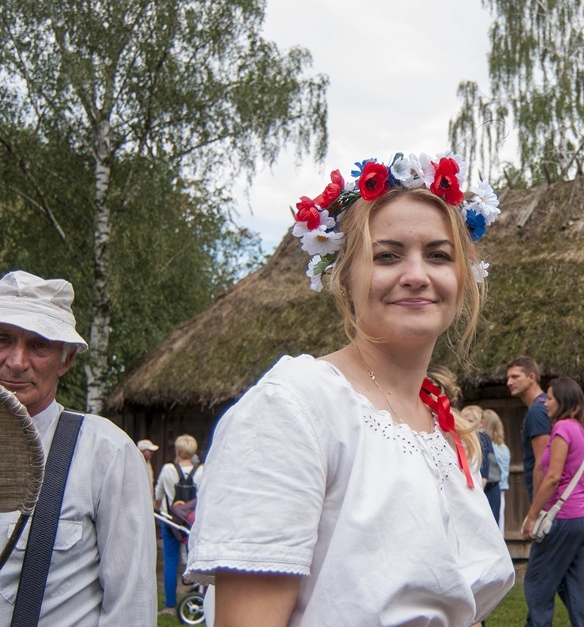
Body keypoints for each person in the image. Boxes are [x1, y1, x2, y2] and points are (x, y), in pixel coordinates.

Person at [185, 151, 514, 626]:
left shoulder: (445, 428)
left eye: (439, 255)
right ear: (344, 278)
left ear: (462, 278)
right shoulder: (295, 406)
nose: (417, 275)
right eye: (387, 255)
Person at [0, 270, 155, 625]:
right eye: (3, 339)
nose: (17, 362)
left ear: (66, 360)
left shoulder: (106, 452)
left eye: (39, 345)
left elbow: (132, 606)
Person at [522, 377, 584, 626]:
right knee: (583, 590)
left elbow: (553, 477)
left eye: (550, 398)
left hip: (562, 518)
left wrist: (532, 515)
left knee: (538, 584)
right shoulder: (581, 428)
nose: (545, 403)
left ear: (563, 401)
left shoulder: (562, 428)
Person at [155, 434, 204, 615]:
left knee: (170, 561)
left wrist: (158, 507)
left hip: (171, 522)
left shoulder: (168, 469)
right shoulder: (201, 471)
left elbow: (158, 495)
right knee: (197, 560)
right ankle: (198, 599)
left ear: (177, 450)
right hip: (193, 524)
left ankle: (170, 606)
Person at [507, 356, 550, 501]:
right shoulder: (544, 405)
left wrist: (537, 506)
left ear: (531, 377)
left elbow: (542, 462)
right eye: (508, 378)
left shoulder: (537, 411)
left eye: (515, 377)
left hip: (546, 500)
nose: (509, 382)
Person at [464, 404, 501, 523]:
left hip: (486, 487)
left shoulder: (482, 438)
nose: (466, 423)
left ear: (480, 423)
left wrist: (478, 494)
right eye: (464, 420)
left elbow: (484, 467)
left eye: (470, 421)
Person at [483, 408, 511, 531]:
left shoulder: (488, 447)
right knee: (499, 524)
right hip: (502, 487)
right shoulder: (504, 448)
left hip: (491, 488)